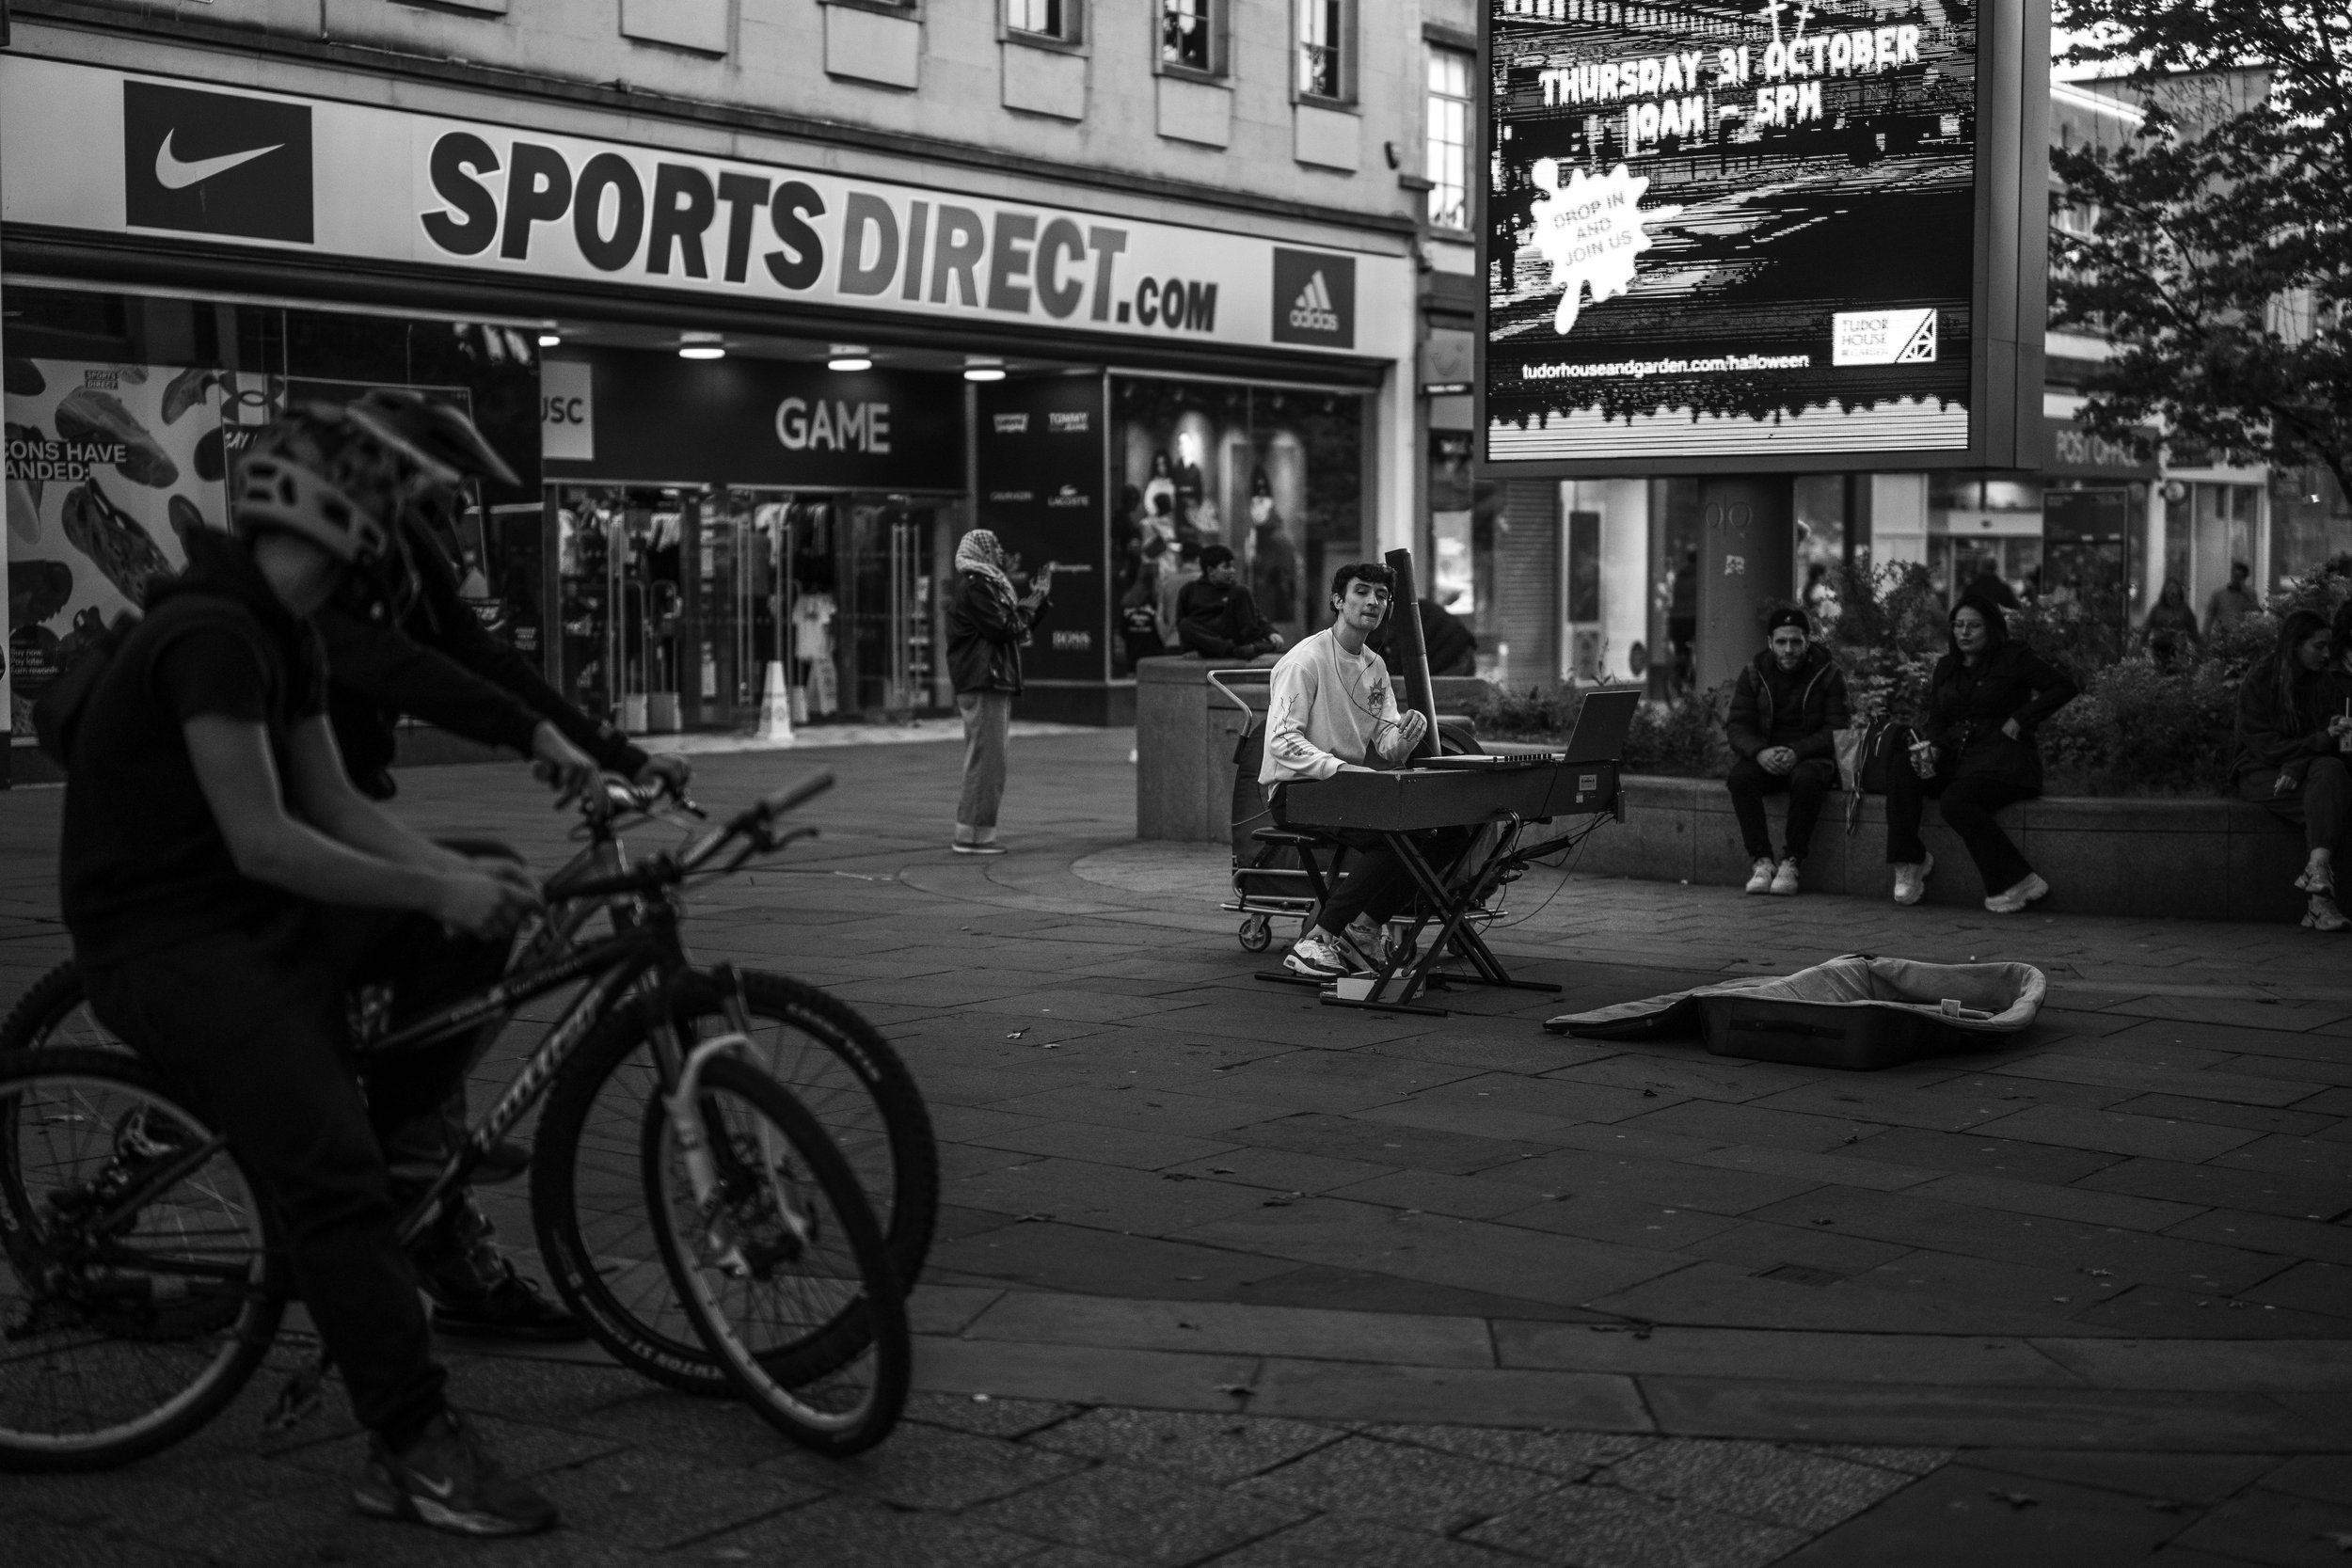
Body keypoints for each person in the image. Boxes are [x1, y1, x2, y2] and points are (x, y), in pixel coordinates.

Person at [60, 405, 558, 1535]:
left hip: (246, 918)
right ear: (332, 516)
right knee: (333, 1176)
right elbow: (267, 839)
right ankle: (411, 1448)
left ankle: (381, 1128)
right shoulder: (213, 635)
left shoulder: (287, 630)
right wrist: (437, 888)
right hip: (167, 944)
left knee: (484, 892)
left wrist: (461, 876)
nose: (409, 542)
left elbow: (334, 801)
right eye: (393, 516)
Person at [318, 392, 691, 1340]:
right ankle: (416, 1172)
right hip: (277, 812)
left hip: (341, 796)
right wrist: (541, 736)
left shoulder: (407, 561)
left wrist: (616, 750)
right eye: (438, 494)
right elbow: (410, 673)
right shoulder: (319, 566)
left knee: (471, 918)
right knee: (442, 929)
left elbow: (484, 662)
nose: (451, 520)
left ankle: (425, 1171)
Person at [1261, 562, 1466, 978]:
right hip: (1296, 789)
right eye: (1361, 592)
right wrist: (1340, 770)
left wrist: (1407, 735)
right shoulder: (1304, 660)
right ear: (1338, 600)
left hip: (1348, 789)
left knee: (1449, 831)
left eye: (1382, 595)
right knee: (1392, 834)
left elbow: (1387, 746)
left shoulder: (1375, 666)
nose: (1373, 601)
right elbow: (1281, 739)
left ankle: (1364, 930)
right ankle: (1315, 940)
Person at [1885, 594, 2078, 912]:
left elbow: (2063, 687)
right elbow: (1937, 719)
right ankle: (1910, 860)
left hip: (2004, 763)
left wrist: (2022, 718)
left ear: (1991, 628)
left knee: (1957, 801)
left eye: (1973, 626)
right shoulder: (1947, 667)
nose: (1964, 632)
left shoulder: (2013, 658)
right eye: (1958, 625)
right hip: (1956, 757)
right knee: (1905, 767)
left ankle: (2018, 882)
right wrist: (1931, 746)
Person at [2232, 608, 2352, 931]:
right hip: (2261, 772)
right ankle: (2319, 905)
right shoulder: (2262, 679)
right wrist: (2312, 748)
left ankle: (2317, 872)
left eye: (2329, 646)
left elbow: (2326, 745)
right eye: (2318, 646)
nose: (2327, 654)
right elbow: (2265, 747)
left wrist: (2302, 760)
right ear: (2294, 645)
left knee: (2329, 775)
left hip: (2305, 772)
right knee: (2328, 794)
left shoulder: (2323, 683)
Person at [1724, 608, 1850, 896]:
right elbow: (1738, 726)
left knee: (1806, 780)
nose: (1789, 649)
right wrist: (1759, 753)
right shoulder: (1755, 673)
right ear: (1770, 643)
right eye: (1781, 642)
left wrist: (1797, 751)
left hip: (1811, 758)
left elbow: (1838, 728)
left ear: (1807, 641)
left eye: (1796, 642)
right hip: (1767, 756)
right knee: (1741, 778)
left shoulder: (1829, 674)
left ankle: (1792, 861)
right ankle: (1762, 861)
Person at [946, 529, 1051, 855]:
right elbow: (1004, 628)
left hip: (989, 678)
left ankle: (976, 831)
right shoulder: (978, 587)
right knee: (987, 761)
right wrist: (1031, 604)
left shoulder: (988, 585)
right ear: (983, 552)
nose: (1002, 552)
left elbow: (1015, 629)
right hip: (984, 679)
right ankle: (973, 834)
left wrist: (1037, 603)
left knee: (990, 759)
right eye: (996, 547)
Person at [1176, 545, 1283, 658]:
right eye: (1226, 567)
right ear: (1211, 570)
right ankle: (1238, 651)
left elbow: (1255, 615)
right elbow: (1182, 624)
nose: (1232, 571)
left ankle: (1252, 645)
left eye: (1232, 566)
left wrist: (1270, 632)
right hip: (1207, 641)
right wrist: (1188, 649)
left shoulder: (1236, 591)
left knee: (1242, 591)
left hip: (1233, 637)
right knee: (1185, 624)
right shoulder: (1189, 590)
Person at [1367, 595, 1480, 679]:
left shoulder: (1386, 621)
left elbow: (1398, 662)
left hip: (1453, 652)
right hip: (1456, 647)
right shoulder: (1389, 612)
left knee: (1442, 701)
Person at [1247, 473, 1298, 625]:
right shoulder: (1254, 535)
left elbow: (1284, 580)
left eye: (1261, 502)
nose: (1256, 509)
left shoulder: (1279, 538)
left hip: (1274, 613)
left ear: (1271, 504)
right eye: (1253, 503)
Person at [2140, 578, 2202, 668]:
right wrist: (2141, 648)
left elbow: (2194, 633)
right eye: (2169, 590)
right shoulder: (2157, 609)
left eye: (2174, 590)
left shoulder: (2185, 610)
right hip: (2159, 649)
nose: (2172, 594)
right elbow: (2146, 630)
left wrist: (2200, 651)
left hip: (2179, 651)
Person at [1156, 539, 1202, 652]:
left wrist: (1166, 638)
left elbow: (1159, 617)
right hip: (1201, 644)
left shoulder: (1167, 582)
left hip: (1173, 642)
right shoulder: (1207, 582)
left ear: (1180, 558)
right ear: (1200, 559)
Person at [2207, 561, 2259, 635]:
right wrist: (2206, 634)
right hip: (2222, 636)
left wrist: (2247, 594)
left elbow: (2255, 614)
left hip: (2243, 637)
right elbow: (2210, 616)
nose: (2236, 580)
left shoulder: (2250, 595)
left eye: (2240, 577)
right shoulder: (2219, 595)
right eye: (2235, 576)